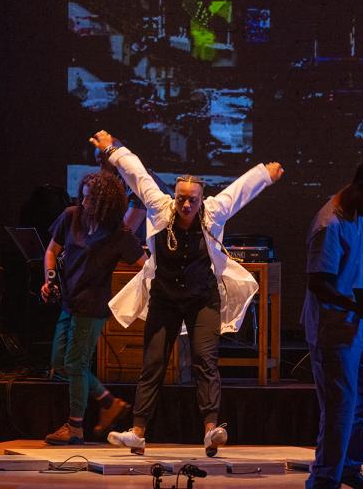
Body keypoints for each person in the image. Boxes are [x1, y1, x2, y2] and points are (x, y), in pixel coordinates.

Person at [90, 130, 283, 457]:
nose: (186, 204)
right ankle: (138, 432)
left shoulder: (212, 212)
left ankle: (210, 430)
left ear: (200, 199)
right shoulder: (159, 206)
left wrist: (264, 174)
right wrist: (111, 149)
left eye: (192, 198)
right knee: (152, 364)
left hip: (202, 300)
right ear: (175, 196)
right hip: (164, 299)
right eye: (181, 197)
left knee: (204, 360)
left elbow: (239, 191)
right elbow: (137, 173)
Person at [303, 161, 363, 489]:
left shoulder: (359, 215)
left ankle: (349, 467)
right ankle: (324, 479)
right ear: (362, 189)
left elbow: (353, 263)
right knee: (339, 408)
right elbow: (319, 283)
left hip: (356, 325)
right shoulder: (329, 224)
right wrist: (362, 304)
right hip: (332, 330)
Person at [41, 170, 147, 445]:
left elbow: (145, 266)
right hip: (69, 300)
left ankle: (75, 428)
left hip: (92, 305)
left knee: (75, 363)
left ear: (106, 204)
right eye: (83, 197)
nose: (85, 203)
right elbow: (52, 250)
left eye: (91, 200)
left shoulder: (118, 233)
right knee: (58, 363)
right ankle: (107, 401)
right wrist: (49, 278)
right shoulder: (71, 216)